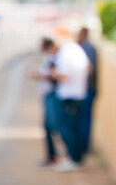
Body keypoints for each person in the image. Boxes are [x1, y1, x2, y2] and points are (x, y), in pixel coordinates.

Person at [43, 37, 90, 171]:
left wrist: (51, 74)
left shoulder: (64, 54)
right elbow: (88, 68)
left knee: (66, 129)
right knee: (74, 128)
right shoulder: (76, 50)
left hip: (68, 96)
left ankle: (74, 159)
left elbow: (64, 76)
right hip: (79, 94)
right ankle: (76, 157)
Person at [30, 38, 60, 167]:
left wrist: (39, 76)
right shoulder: (50, 57)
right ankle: (52, 156)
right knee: (48, 127)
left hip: (52, 95)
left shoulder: (55, 58)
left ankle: (54, 156)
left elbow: (54, 76)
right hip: (48, 95)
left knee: (51, 126)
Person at [77, 27, 98, 154]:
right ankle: (83, 146)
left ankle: (84, 147)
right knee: (84, 118)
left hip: (88, 88)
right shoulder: (87, 47)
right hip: (88, 88)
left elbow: (89, 70)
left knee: (84, 119)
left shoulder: (88, 48)